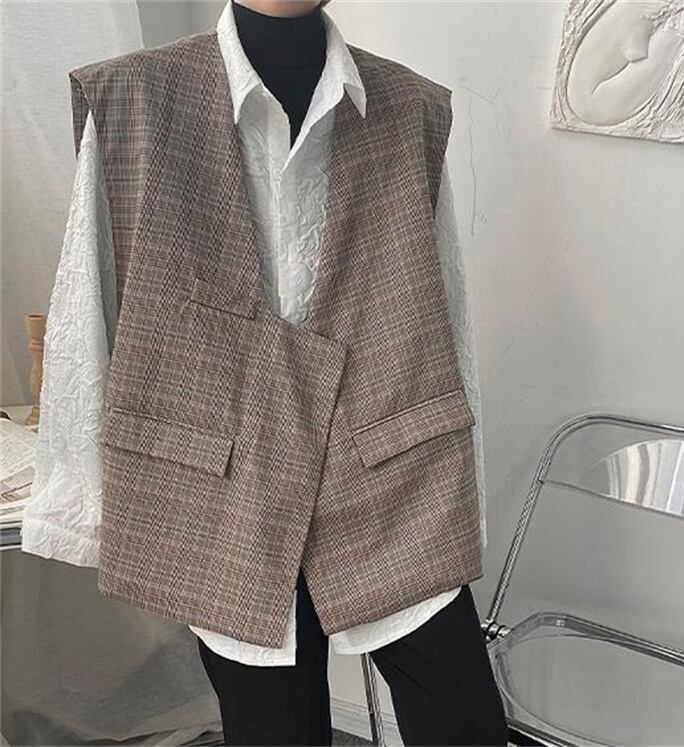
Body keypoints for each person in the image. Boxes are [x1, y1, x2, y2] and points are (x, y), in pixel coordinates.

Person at [22, 0, 508, 743]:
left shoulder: (410, 108)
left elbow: (441, 313)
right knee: (273, 727)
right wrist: (86, 493)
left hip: (387, 470)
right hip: (227, 480)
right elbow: (88, 307)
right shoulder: (133, 98)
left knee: (463, 717)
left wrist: (455, 485)